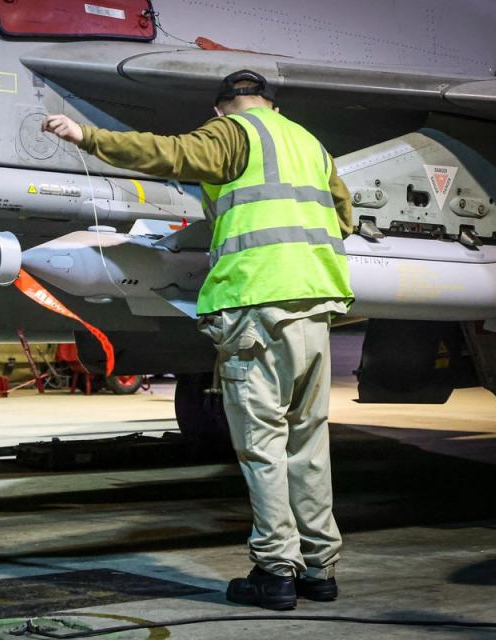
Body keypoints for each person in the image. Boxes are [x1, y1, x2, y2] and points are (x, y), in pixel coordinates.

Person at [43, 69, 354, 611]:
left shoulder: (234, 133)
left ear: (220, 110)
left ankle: (275, 571)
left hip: (257, 306)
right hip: (316, 304)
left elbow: (167, 154)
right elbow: (344, 216)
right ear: (272, 105)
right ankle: (319, 569)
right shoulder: (310, 144)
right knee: (308, 444)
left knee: (262, 447)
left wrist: (86, 136)